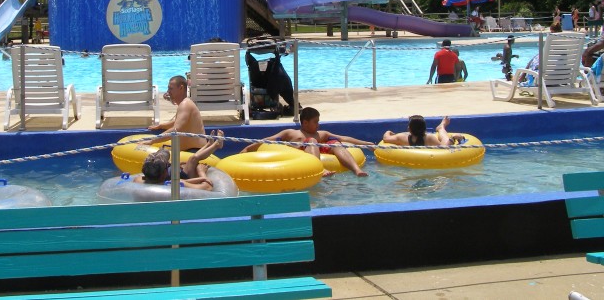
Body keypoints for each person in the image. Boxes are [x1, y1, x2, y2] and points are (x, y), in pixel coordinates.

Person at [241, 107, 373, 177]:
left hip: (318, 150)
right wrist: (247, 149)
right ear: (305, 122)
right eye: (315, 122)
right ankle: (319, 169)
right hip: (300, 156)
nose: (318, 125)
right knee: (312, 141)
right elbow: (267, 141)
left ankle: (356, 170)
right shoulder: (292, 133)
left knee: (335, 143)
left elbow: (344, 138)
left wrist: (366, 144)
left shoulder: (321, 134)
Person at [140, 130, 225, 190]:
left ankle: (209, 144)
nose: (168, 164)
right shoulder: (173, 185)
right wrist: (201, 172)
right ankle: (216, 145)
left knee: (191, 160)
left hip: (177, 176)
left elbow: (182, 181)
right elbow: (207, 187)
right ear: (163, 173)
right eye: (167, 165)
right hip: (182, 175)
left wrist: (174, 165)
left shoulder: (142, 179)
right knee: (193, 159)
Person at [148, 75, 207, 151]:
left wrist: (151, 141)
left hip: (195, 152)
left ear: (181, 88)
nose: (168, 91)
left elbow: (176, 130)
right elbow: (179, 122)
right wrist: (161, 126)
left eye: (171, 89)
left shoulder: (185, 104)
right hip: (191, 151)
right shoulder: (185, 103)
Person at [382, 115, 457, 147]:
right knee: (445, 138)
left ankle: (441, 127)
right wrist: (452, 138)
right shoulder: (430, 138)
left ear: (409, 129)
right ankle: (441, 127)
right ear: (424, 128)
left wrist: (388, 132)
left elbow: (385, 138)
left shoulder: (401, 137)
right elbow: (444, 149)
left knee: (444, 139)